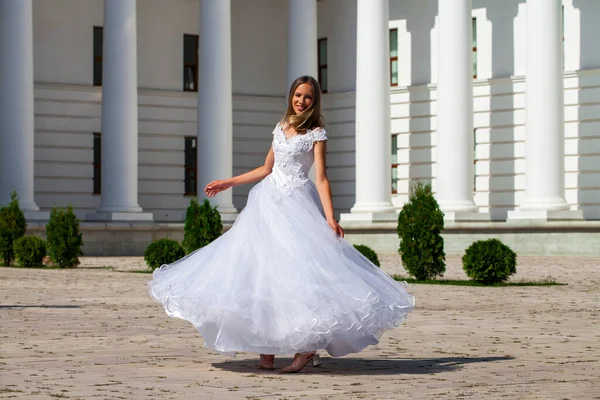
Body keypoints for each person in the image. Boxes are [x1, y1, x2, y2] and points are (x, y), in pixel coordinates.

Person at [148, 76, 414, 373]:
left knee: (297, 275)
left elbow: (321, 178)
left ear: (315, 101)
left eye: (308, 97)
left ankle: (306, 346)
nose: (302, 100)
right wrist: (228, 182)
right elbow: (266, 168)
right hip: (265, 205)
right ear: (291, 96)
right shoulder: (280, 127)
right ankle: (267, 347)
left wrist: (329, 217)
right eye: (298, 95)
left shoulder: (317, 134)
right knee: (261, 274)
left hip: (297, 205)